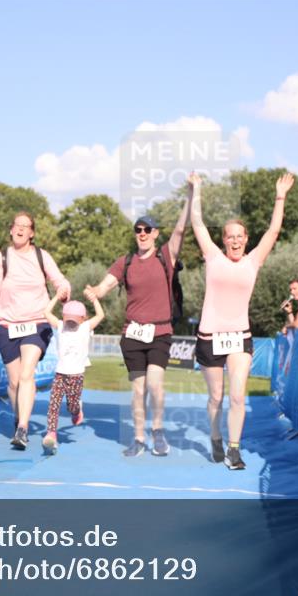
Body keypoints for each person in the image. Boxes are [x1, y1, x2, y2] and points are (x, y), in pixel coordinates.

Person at [189, 170, 295, 470]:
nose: (235, 241)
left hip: (239, 338)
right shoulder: (213, 256)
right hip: (209, 337)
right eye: (230, 236)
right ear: (223, 240)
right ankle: (215, 436)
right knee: (216, 397)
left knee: (237, 397)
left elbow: (273, 231)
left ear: (246, 240)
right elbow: (197, 223)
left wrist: (280, 197)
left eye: (240, 236)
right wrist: (196, 190)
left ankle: (234, 450)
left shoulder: (253, 261)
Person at [85, 187, 191, 458]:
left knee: (155, 384)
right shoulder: (126, 262)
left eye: (147, 230)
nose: (142, 234)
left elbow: (180, 230)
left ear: (156, 234)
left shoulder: (165, 256)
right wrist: (95, 291)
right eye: (138, 230)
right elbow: (106, 285)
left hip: (160, 332)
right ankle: (139, 438)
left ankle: (158, 431)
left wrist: (191, 196)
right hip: (132, 334)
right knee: (138, 389)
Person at [0, 211, 71, 450]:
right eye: (17, 225)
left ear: (32, 233)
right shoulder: (0, 258)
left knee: (26, 374)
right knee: (14, 383)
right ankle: (18, 419)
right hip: (7, 325)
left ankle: (23, 428)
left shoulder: (41, 256)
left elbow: (60, 280)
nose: (21, 229)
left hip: (37, 322)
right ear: (11, 230)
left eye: (26, 226)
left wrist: (64, 290)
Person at [40, 288, 105, 455]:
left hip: (76, 376)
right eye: (68, 319)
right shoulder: (60, 326)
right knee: (53, 404)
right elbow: (46, 312)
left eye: (75, 320)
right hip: (60, 374)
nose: (71, 323)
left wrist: (94, 300)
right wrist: (56, 296)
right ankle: (51, 433)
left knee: (72, 406)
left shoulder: (85, 328)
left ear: (83, 318)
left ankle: (77, 410)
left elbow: (100, 315)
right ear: (63, 317)